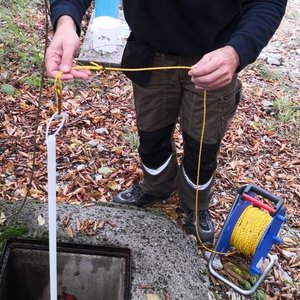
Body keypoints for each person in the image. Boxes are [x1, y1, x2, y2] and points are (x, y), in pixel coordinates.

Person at [46, 0, 287, 244]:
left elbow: (267, 2)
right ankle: (156, 185)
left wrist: (237, 51)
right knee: (151, 133)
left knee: (203, 144)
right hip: (149, 52)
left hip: (216, 56)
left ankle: (195, 202)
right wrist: (66, 20)